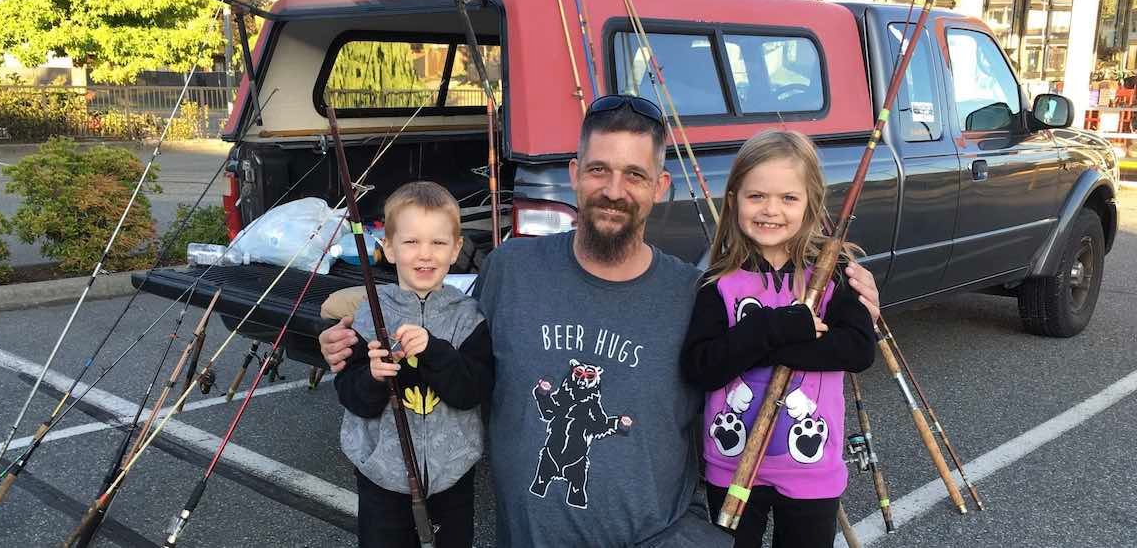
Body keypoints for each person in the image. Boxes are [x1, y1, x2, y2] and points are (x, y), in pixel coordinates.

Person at [319, 95, 882, 546]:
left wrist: (853, 304)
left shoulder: (695, 291)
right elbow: (436, 315)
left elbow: (764, 364)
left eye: (635, 175)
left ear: (660, 187)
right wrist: (347, 332)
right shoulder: (509, 270)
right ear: (573, 174)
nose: (615, 191)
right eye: (599, 170)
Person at [680, 130, 876, 548]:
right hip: (729, 465)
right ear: (733, 200)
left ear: (811, 205)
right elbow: (701, 366)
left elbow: (858, 348)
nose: (771, 210)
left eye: (789, 198)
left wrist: (756, 346)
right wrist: (774, 328)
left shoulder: (834, 273)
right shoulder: (719, 282)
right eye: (756, 197)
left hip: (811, 468)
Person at [335, 181, 492, 548]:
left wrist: (434, 351)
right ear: (388, 248)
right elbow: (352, 395)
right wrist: (373, 377)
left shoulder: (469, 318)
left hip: (451, 480)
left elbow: (472, 391)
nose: (425, 254)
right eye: (410, 242)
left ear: (456, 249)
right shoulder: (368, 314)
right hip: (382, 480)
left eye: (438, 243)